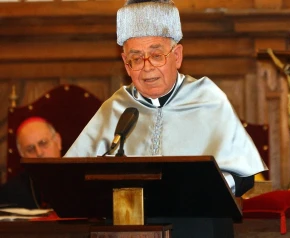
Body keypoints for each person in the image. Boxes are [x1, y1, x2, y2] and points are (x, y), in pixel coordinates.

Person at [65, 0, 267, 237]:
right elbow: (75, 180)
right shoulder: (116, 108)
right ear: (126, 64)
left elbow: (243, 177)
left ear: (177, 56)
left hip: (198, 228)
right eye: (137, 58)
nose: (147, 68)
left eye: (156, 55)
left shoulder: (208, 99)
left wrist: (199, 190)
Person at [0, 117, 62, 209]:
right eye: (30, 149)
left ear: (58, 141)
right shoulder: (10, 193)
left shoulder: (82, 177)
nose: (39, 153)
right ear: (22, 154)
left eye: (43, 143)